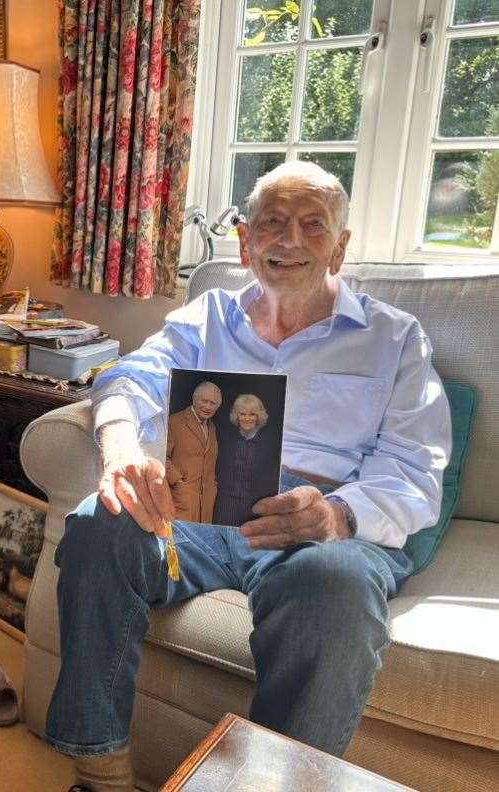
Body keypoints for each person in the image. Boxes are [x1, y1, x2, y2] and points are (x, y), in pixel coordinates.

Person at [44, 162, 451, 792]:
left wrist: (337, 515)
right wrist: (121, 445)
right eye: (272, 224)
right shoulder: (207, 317)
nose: (290, 241)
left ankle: (269, 784)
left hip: (325, 522)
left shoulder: (393, 337)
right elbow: (131, 376)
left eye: (313, 225)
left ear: (340, 246)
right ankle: (101, 774)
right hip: (202, 513)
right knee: (104, 520)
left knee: (334, 586)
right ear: (245, 241)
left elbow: (416, 466)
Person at [213, 393, 281, 526]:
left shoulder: (271, 443)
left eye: (252, 414)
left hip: (255, 506)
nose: (247, 418)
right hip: (226, 504)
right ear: (236, 416)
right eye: (242, 414)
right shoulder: (225, 439)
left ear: (258, 417)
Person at [164, 381, 221, 523]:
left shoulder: (212, 427)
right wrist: (177, 482)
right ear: (194, 399)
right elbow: (162, 456)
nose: (208, 406)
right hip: (181, 498)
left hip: (206, 503)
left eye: (213, 403)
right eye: (204, 401)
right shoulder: (174, 421)